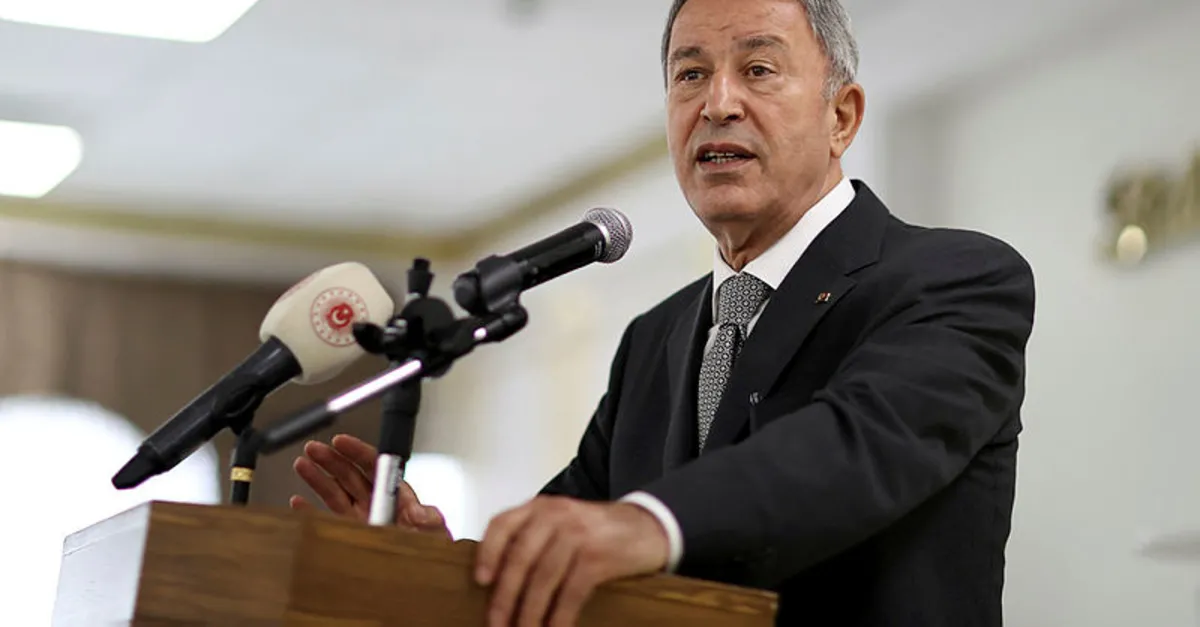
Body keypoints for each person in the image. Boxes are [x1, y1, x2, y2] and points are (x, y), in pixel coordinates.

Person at [290, 0, 1037, 625]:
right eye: (690, 75)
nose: (718, 103)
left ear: (841, 116)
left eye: (758, 69)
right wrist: (445, 565)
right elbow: (578, 530)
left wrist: (650, 522)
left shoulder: (954, 278)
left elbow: (853, 445)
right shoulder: (656, 338)